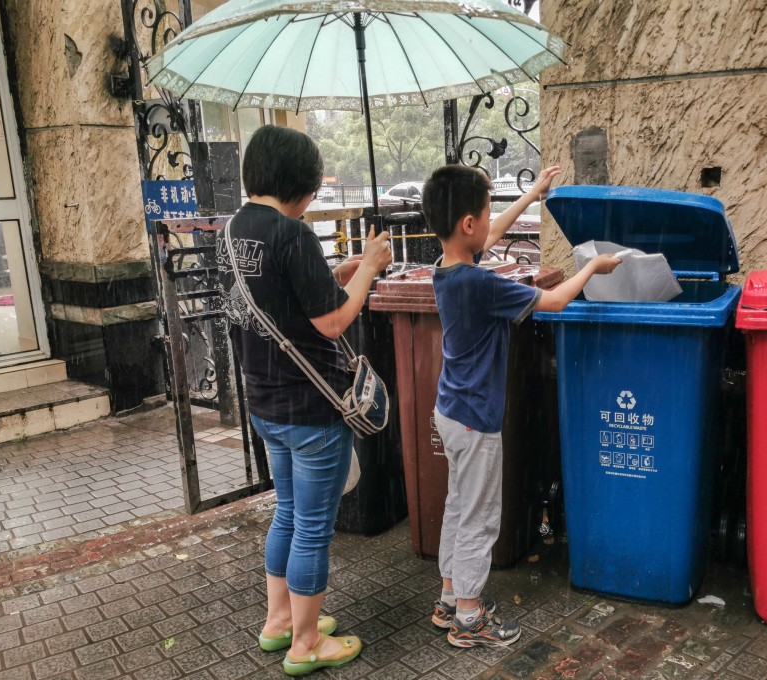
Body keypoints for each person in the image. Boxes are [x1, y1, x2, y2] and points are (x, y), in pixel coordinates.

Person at [217, 125, 392, 676]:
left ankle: (279, 622)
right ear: (301, 185)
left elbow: (284, 294)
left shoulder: (233, 230)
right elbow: (335, 317)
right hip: (312, 409)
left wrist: (342, 272)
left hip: (265, 406)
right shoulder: (292, 234)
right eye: (314, 187)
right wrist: (368, 266)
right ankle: (307, 643)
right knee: (313, 526)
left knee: (287, 514)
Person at [422, 164, 622, 647]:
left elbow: (490, 233)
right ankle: (469, 617)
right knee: (479, 517)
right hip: (474, 419)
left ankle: (450, 599)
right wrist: (591, 268)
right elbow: (552, 302)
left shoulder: (447, 268)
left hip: (450, 411)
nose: (491, 223)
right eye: (486, 214)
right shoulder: (482, 285)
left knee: (458, 508)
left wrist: (533, 193)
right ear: (468, 224)